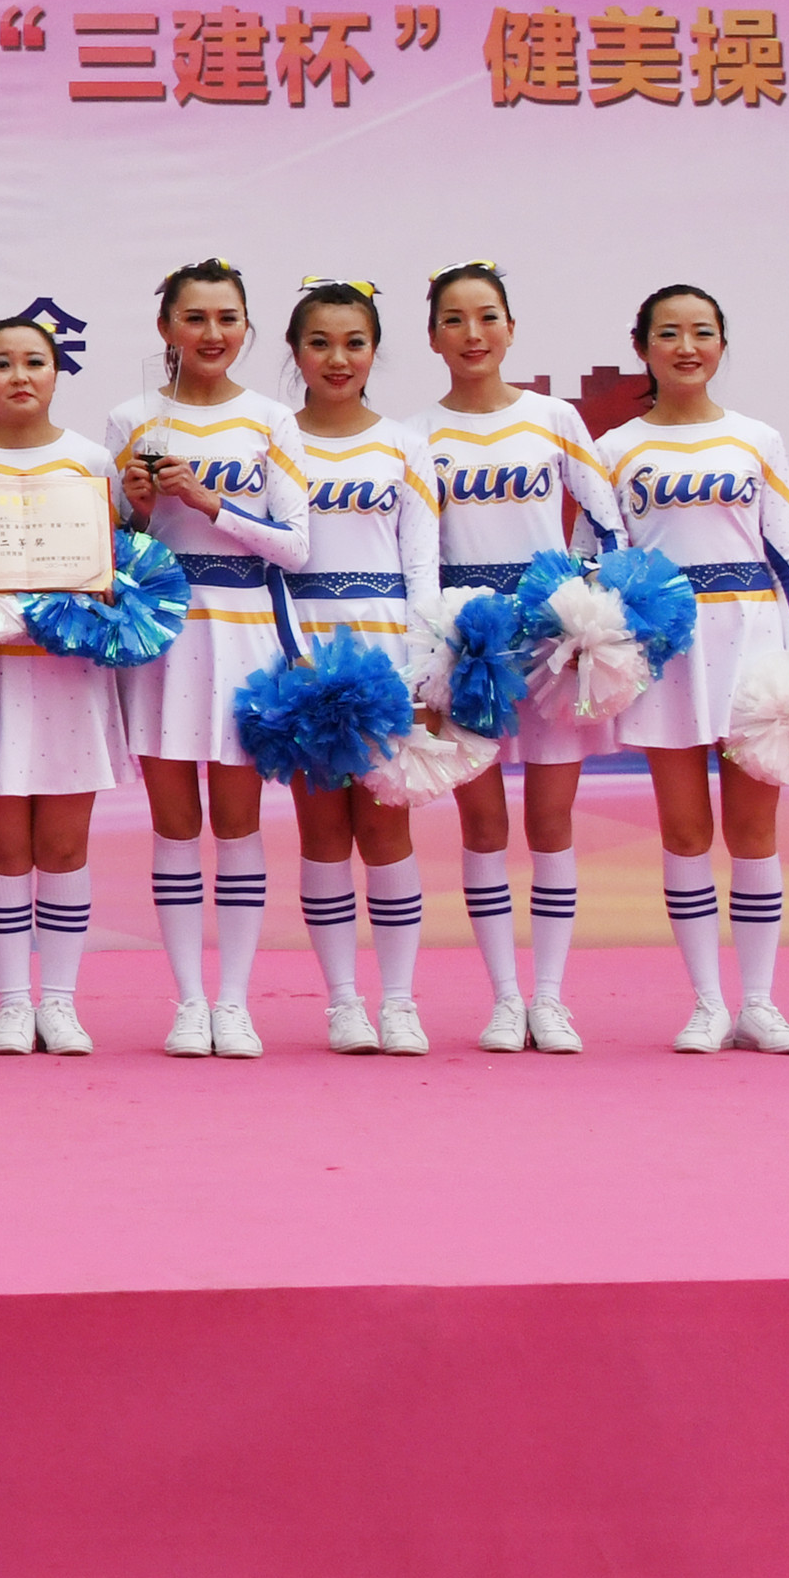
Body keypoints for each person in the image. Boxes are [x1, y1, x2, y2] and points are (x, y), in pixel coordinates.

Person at [408, 262, 622, 1053]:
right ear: (432, 337)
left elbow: (605, 521)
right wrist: (427, 640)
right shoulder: (414, 434)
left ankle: (550, 999)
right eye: (454, 320)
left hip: (546, 643)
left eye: (487, 317)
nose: (473, 334)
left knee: (551, 819)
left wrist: (575, 597)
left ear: (510, 327)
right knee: (483, 821)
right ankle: (503, 999)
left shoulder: (553, 418)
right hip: (464, 644)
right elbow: (413, 551)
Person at [599, 285, 789, 1056]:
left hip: (753, 642)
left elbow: (786, 555)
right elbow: (601, 562)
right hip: (667, 653)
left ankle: (759, 1003)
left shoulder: (757, 439)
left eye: (701, 332)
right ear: (641, 347)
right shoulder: (614, 449)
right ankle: (706, 1004)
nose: (686, 347)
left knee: (753, 828)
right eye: (668, 333)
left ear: (722, 343)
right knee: (684, 829)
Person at [106, 258, 307, 1060]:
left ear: (247, 327)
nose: (211, 333)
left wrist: (207, 502)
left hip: (244, 634)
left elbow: (295, 547)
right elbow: (107, 552)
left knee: (236, 821)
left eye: (227, 319)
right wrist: (137, 511)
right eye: (194, 318)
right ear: (165, 329)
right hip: (161, 637)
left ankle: (234, 1002)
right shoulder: (130, 419)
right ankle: (188, 1001)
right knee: (174, 824)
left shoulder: (270, 420)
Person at [0, 307, 122, 1056]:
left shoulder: (91, 462)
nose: (19, 376)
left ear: (56, 373)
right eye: (2, 364)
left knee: (66, 847)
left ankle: (61, 1004)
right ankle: (13, 1004)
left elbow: (128, 566)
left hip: (69, 677)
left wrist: (108, 585)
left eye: (34, 362)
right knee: (4, 848)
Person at [279, 283, 442, 1058]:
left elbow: (422, 567)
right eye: (319, 343)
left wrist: (422, 670)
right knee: (320, 832)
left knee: (385, 829)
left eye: (353, 342)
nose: (336, 359)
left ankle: (399, 1002)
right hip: (300, 654)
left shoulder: (403, 446)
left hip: (384, 654)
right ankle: (342, 1003)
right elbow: (268, 558)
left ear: (375, 351)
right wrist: (289, 658)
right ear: (294, 351)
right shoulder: (274, 442)